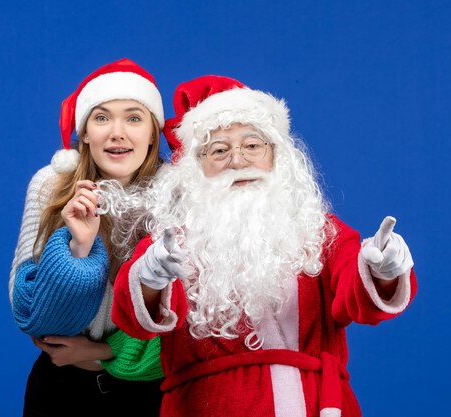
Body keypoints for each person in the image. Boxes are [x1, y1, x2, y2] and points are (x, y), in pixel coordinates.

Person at [107, 75, 418, 417]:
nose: (238, 161)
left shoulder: (319, 231)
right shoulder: (172, 243)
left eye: (252, 145)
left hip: (315, 405)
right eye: (219, 150)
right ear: (196, 168)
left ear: (277, 155)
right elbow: (134, 320)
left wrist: (382, 271)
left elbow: (357, 299)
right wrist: (150, 280)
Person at [9, 58, 166, 417]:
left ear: (152, 133)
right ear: (84, 134)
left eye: (133, 117)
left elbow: (182, 319)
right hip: (61, 387)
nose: (117, 132)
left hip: (150, 394)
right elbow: (32, 312)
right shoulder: (50, 186)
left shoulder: (180, 195)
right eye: (101, 117)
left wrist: (101, 352)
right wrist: (77, 251)